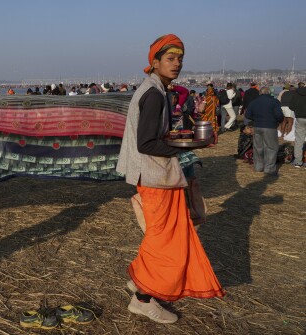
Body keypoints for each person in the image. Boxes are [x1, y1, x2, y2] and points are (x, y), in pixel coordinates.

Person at [116, 34, 224, 324]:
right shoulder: (153, 94)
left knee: (160, 237)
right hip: (155, 178)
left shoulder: (156, 89)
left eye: (180, 59)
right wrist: (184, 146)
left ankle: (140, 282)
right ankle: (141, 298)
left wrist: (178, 140)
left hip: (157, 176)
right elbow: (146, 143)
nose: (177, 64)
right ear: (154, 62)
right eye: (170, 58)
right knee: (166, 242)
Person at [244, 87, 283, 175]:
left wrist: (256, 119)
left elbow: (247, 115)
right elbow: (279, 115)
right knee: (271, 148)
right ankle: (269, 168)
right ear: (269, 93)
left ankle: (258, 167)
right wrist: (277, 121)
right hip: (270, 126)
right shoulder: (274, 101)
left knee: (258, 147)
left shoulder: (254, 102)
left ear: (260, 93)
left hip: (257, 126)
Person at [288, 81, 306, 167]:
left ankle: (298, 161)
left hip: (299, 117)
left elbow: (291, 106)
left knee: (299, 140)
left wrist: (297, 109)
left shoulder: (296, 93)